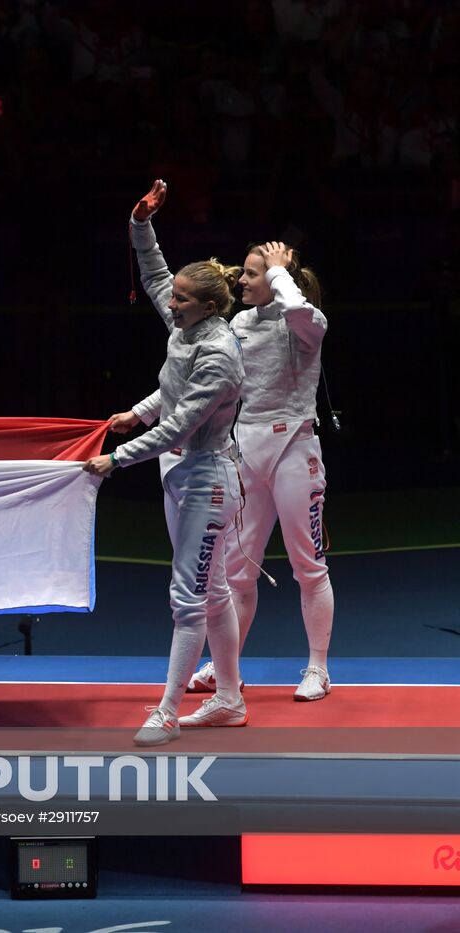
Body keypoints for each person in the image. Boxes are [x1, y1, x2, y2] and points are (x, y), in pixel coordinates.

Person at [88, 178, 247, 746]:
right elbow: (155, 275)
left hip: (208, 478)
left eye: (180, 298)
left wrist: (118, 459)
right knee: (216, 590)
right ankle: (228, 699)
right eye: (173, 296)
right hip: (179, 473)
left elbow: (182, 423)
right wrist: (140, 224)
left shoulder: (221, 356)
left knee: (188, 595)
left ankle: (168, 710)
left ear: (206, 307)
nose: (169, 301)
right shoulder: (186, 327)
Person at [181, 239, 334, 701]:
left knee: (307, 566)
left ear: (276, 281)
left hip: (294, 448)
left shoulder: (307, 322)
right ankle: (226, 669)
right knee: (235, 571)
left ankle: (318, 669)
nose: (241, 281)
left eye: (252, 274)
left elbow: (300, 313)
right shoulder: (239, 324)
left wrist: (279, 270)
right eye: (245, 273)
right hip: (245, 448)